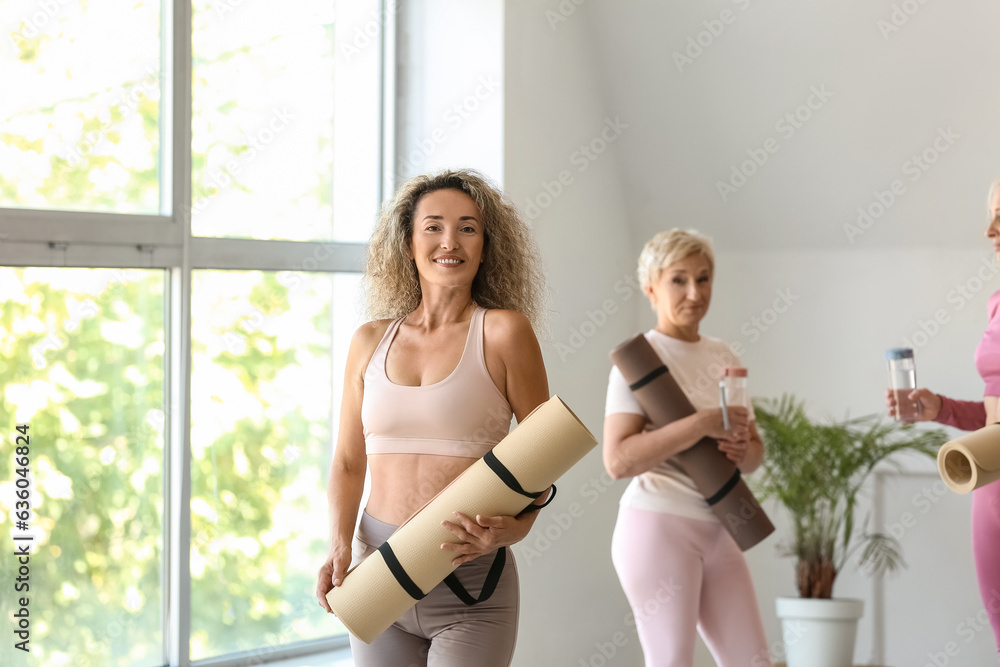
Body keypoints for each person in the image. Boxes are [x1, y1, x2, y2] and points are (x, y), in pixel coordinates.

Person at [314, 169, 550, 667]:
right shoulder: (368, 341)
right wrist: (338, 546)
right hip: (377, 571)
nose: (450, 241)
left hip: (470, 582)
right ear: (408, 242)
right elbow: (348, 462)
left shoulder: (505, 332)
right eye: (434, 226)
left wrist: (519, 527)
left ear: (486, 247)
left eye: (468, 228)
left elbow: (542, 458)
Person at [603, 228, 771, 666]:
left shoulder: (725, 356)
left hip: (721, 526)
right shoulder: (639, 362)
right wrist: (700, 424)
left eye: (704, 277)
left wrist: (740, 448)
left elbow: (753, 455)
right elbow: (618, 460)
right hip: (658, 526)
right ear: (651, 286)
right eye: (679, 279)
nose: (694, 292)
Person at [886, 179, 1000, 656]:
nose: (992, 228)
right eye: (993, 213)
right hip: (992, 487)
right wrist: (941, 409)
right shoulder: (998, 303)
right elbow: (994, 412)